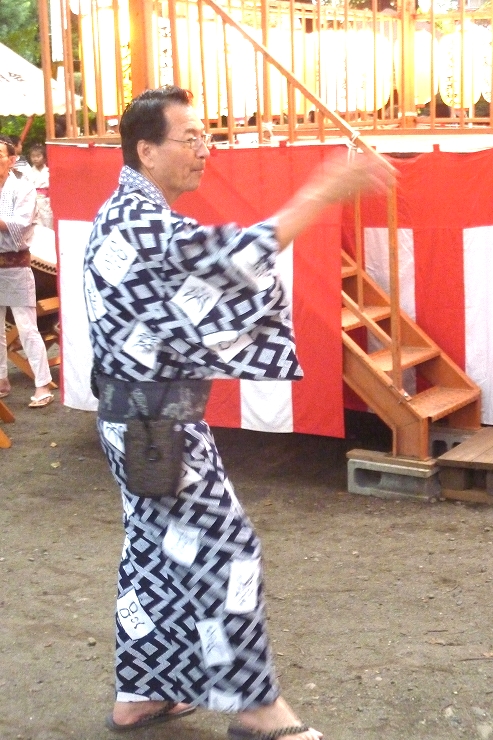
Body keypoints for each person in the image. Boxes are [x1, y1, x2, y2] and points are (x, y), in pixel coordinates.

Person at [84, 86, 394, 740]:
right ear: (146, 150)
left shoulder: (128, 213)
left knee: (152, 551)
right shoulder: (138, 220)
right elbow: (229, 256)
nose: (204, 150)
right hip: (154, 426)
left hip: (138, 421)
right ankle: (254, 709)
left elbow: (197, 285)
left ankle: (141, 691)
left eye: (206, 137)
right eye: (190, 138)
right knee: (227, 551)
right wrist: (321, 192)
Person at [0, 135, 54, 407]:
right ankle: (1, 380)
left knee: (26, 327)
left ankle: (42, 384)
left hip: (16, 263)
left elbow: (19, 224)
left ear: (11, 160)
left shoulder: (22, 188)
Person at [28, 143, 54, 229]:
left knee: (49, 224)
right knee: (36, 226)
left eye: (38, 156)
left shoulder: (49, 171)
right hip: (33, 201)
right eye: (33, 156)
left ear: (44, 158)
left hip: (47, 201)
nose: (35, 159)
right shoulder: (28, 172)